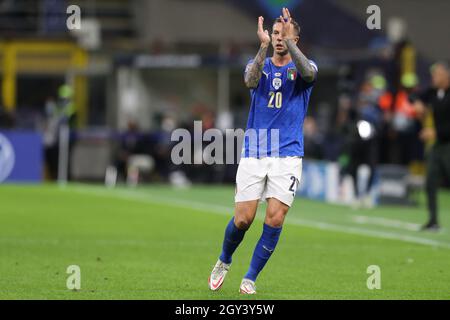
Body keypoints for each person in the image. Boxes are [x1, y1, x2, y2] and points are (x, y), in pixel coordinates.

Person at [208, 8, 318, 294]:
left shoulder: (307, 67)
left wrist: (291, 44)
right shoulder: (259, 63)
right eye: (275, 32)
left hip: (289, 154)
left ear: (295, 38)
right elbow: (249, 81)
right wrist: (262, 47)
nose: (279, 37)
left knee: (275, 217)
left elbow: (307, 73)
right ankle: (224, 259)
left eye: (284, 33)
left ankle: (251, 277)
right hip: (256, 149)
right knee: (243, 219)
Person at [414, 61, 450, 231]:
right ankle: (433, 220)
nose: (433, 77)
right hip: (439, 145)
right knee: (430, 181)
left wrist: (435, 133)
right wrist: (418, 103)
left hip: (446, 143)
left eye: (437, 74)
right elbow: (414, 96)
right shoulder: (434, 92)